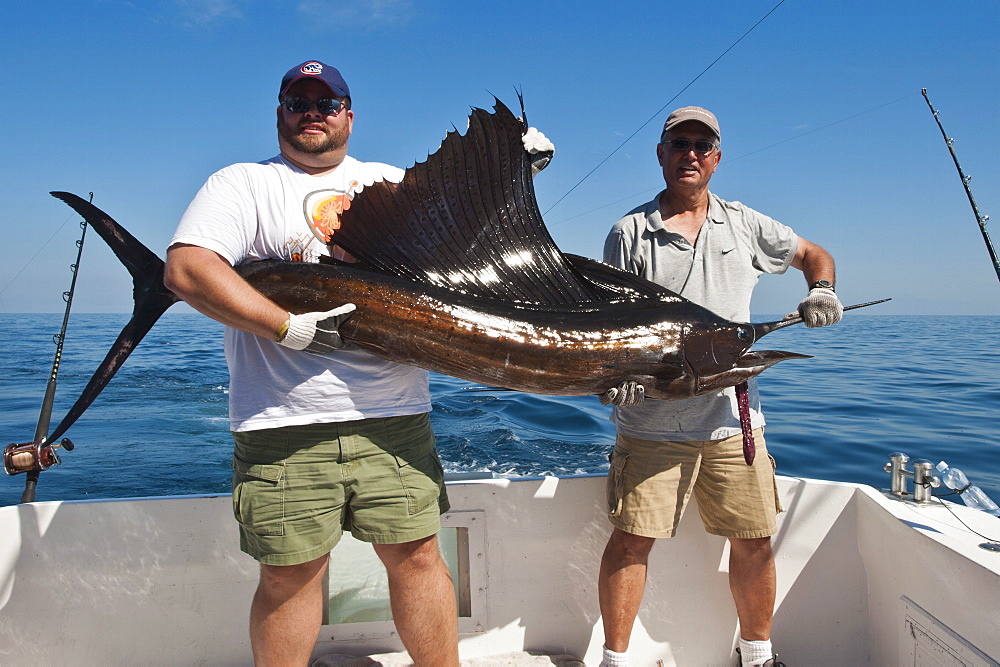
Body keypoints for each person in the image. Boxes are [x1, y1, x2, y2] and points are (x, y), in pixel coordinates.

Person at [165, 59, 552, 667]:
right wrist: (284, 327)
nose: (312, 113)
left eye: (326, 104)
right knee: (290, 576)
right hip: (282, 422)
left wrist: (506, 173)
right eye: (299, 103)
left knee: (420, 558)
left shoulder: (388, 181)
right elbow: (188, 269)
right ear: (280, 113)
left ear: (348, 115)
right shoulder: (240, 184)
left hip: (394, 416)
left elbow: (470, 246)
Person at [596, 106, 843, 667]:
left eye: (701, 146)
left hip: (735, 424)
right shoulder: (629, 232)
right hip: (651, 423)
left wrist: (822, 289)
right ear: (660, 154)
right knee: (632, 540)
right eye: (678, 144)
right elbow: (611, 324)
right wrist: (619, 378)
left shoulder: (745, 224)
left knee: (754, 538)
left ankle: (756, 655)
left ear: (717, 158)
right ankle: (614, 659)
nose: (690, 154)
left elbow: (812, 255)